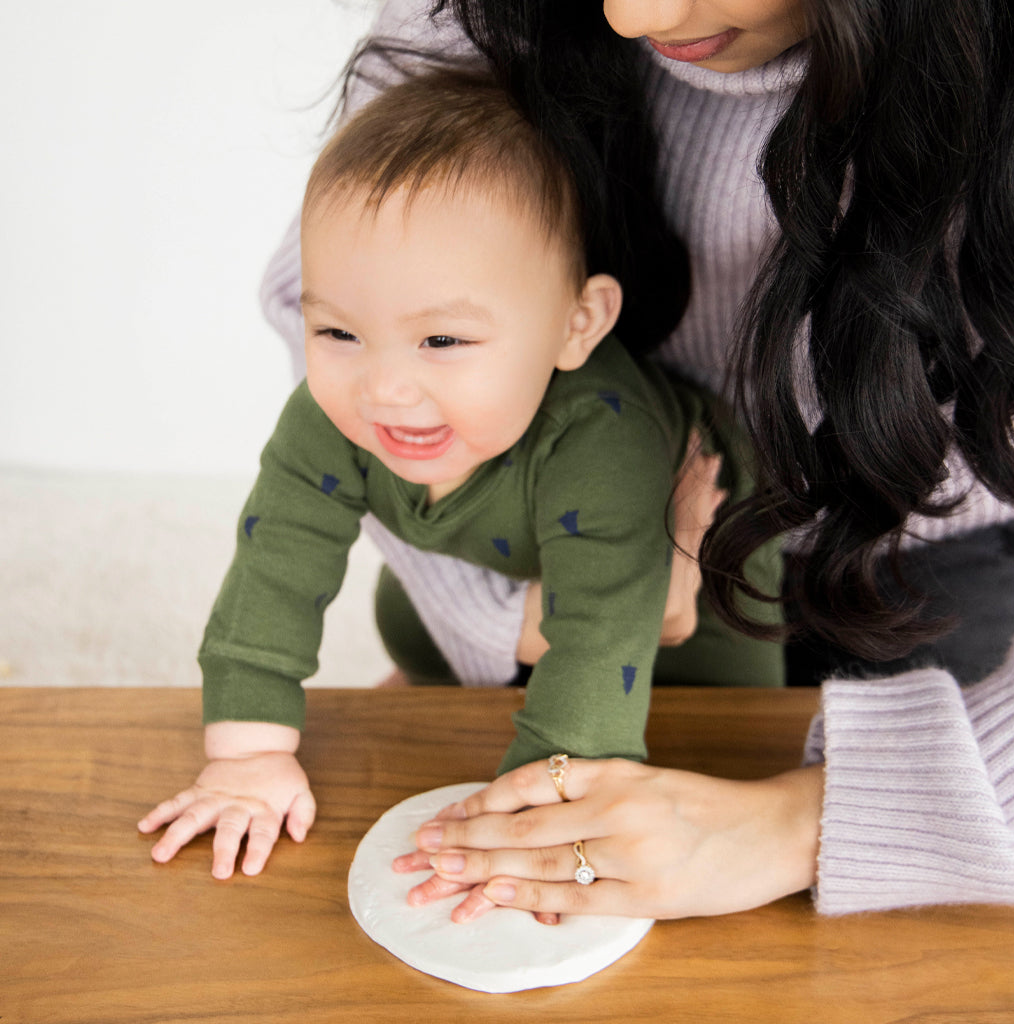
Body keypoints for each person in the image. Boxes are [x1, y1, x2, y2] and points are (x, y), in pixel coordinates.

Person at [254, 0, 1014, 918]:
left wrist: (796, 824)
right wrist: (506, 624)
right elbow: (339, 307)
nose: (632, 15)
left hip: (919, 573)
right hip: (584, 538)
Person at [138, 66, 783, 879]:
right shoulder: (330, 415)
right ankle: (448, 680)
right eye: (338, 332)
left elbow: (595, 645)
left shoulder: (602, 444)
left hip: (700, 544)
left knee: (718, 722)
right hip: (511, 538)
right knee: (408, 619)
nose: (386, 389)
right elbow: (274, 571)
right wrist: (246, 756)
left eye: (442, 341)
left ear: (576, 326)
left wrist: (535, 817)